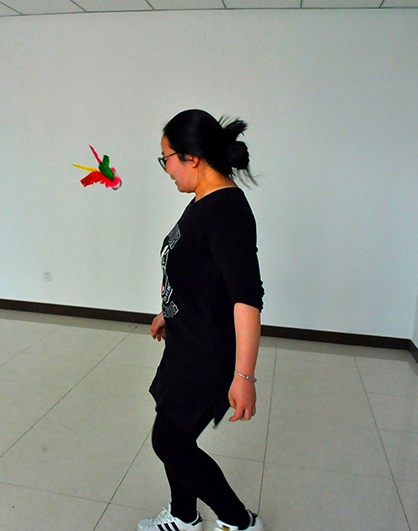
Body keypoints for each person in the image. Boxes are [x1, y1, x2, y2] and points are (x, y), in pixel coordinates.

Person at [138, 109, 265, 531]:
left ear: (191, 157)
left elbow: (246, 299)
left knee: (169, 440)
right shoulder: (203, 200)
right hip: (186, 341)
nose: (166, 169)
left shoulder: (227, 211)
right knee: (175, 434)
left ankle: (239, 521)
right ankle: (183, 516)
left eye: (166, 159)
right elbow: (200, 271)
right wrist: (169, 311)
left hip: (208, 353)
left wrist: (243, 377)